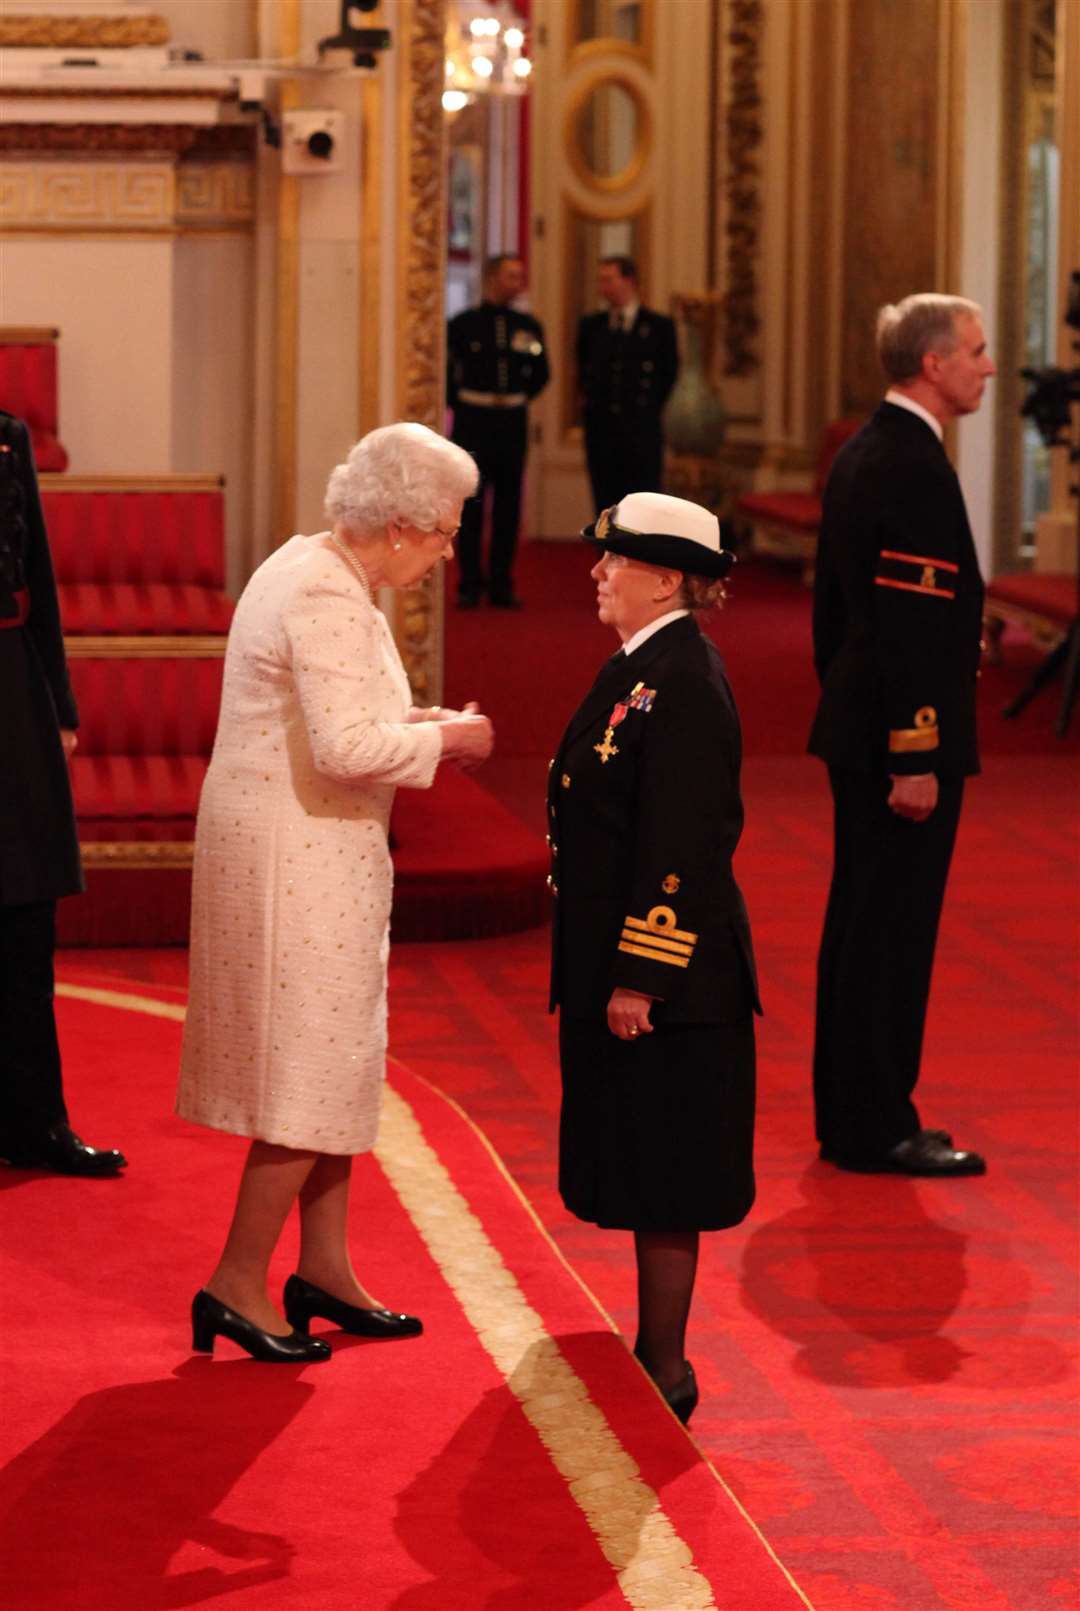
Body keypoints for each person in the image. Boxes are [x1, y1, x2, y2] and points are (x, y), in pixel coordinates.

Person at [177, 423, 494, 1362]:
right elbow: (347, 748)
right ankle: (237, 1278)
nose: (447, 552)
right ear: (398, 524)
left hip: (309, 846)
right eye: (443, 532)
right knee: (305, 1069)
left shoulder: (317, 566)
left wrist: (419, 720)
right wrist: (451, 742)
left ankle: (322, 1266)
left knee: (341, 1056)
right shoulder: (324, 590)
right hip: (296, 858)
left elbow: (349, 713)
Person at [547, 490, 760, 1423]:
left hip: (674, 980)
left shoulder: (687, 682)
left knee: (669, 1167)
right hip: (620, 957)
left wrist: (642, 974)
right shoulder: (643, 664)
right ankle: (653, 1357)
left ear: (667, 578)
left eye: (615, 560)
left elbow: (684, 843)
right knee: (641, 1155)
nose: (598, 571)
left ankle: (666, 1366)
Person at [809, 293, 995, 1176]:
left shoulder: (865, 449)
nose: (988, 366)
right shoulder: (912, 464)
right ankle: (877, 1123)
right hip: (900, 744)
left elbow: (833, 616)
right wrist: (913, 752)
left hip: (863, 726)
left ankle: (853, 1113)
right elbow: (909, 630)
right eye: (977, 351)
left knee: (862, 922)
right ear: (933, 363)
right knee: (889, 932)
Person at [0, 410, 127, 1179]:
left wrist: (61, 706)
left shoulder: (6, 434)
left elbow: (36, 576)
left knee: (23, 917)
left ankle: (35, 1121)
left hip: (11, 682)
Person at [447, 253, 549, 609]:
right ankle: (470, 582)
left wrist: (517, 397)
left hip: (511, 422)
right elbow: (446, 373)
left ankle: (502, 582)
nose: (519, 282)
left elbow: (541, 373)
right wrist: (461, 403)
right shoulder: (462, 324)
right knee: (471, 504)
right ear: (492, 279)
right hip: (473, 420)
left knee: (509, 505)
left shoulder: (528, 325)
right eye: (511, 275)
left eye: (520, 275)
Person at [576, 256, 679, 517]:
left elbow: (668, 375)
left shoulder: (658, 327)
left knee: (642, 506)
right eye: (600, 280)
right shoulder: (591, 326)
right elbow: (583, 372)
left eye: (609, 279)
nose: (603, 287)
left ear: (630, 281)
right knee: (604, 507)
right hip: (601, 433)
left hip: (641, 433)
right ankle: (606, 558)